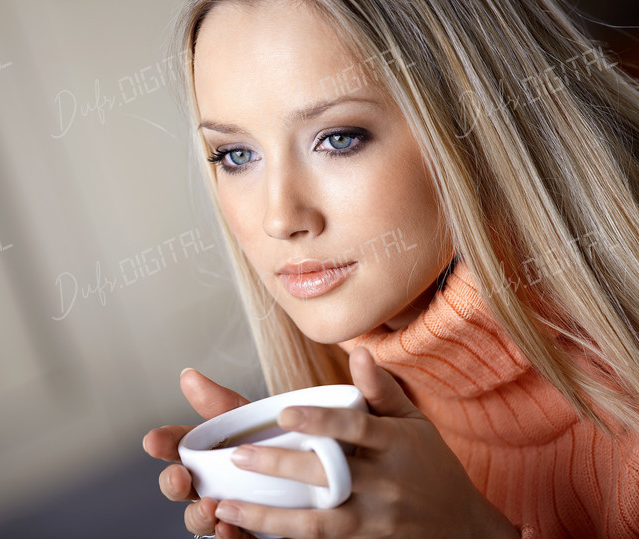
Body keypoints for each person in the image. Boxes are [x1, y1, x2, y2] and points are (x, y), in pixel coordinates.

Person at [143, 0, 639, 536]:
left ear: (477, 122)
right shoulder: (343, 417)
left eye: (338, 139)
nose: (280, 218)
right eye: (236, 156)